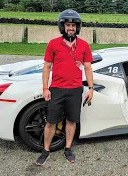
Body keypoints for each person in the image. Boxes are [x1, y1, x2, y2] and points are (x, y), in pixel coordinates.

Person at [36, 9, 94, 166]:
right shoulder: (53, 44)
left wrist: (90, 88)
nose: (71, 28)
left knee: (71, 121)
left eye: (74, 25)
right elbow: (47, 67)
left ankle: (68, 148)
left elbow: (88, 68)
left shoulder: (84, 45)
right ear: (63, 26)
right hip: (57, 89)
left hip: (75, 90)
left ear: (77, 27)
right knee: (51, 122)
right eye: (68, 25)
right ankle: (46, 150)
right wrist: (45, 88)